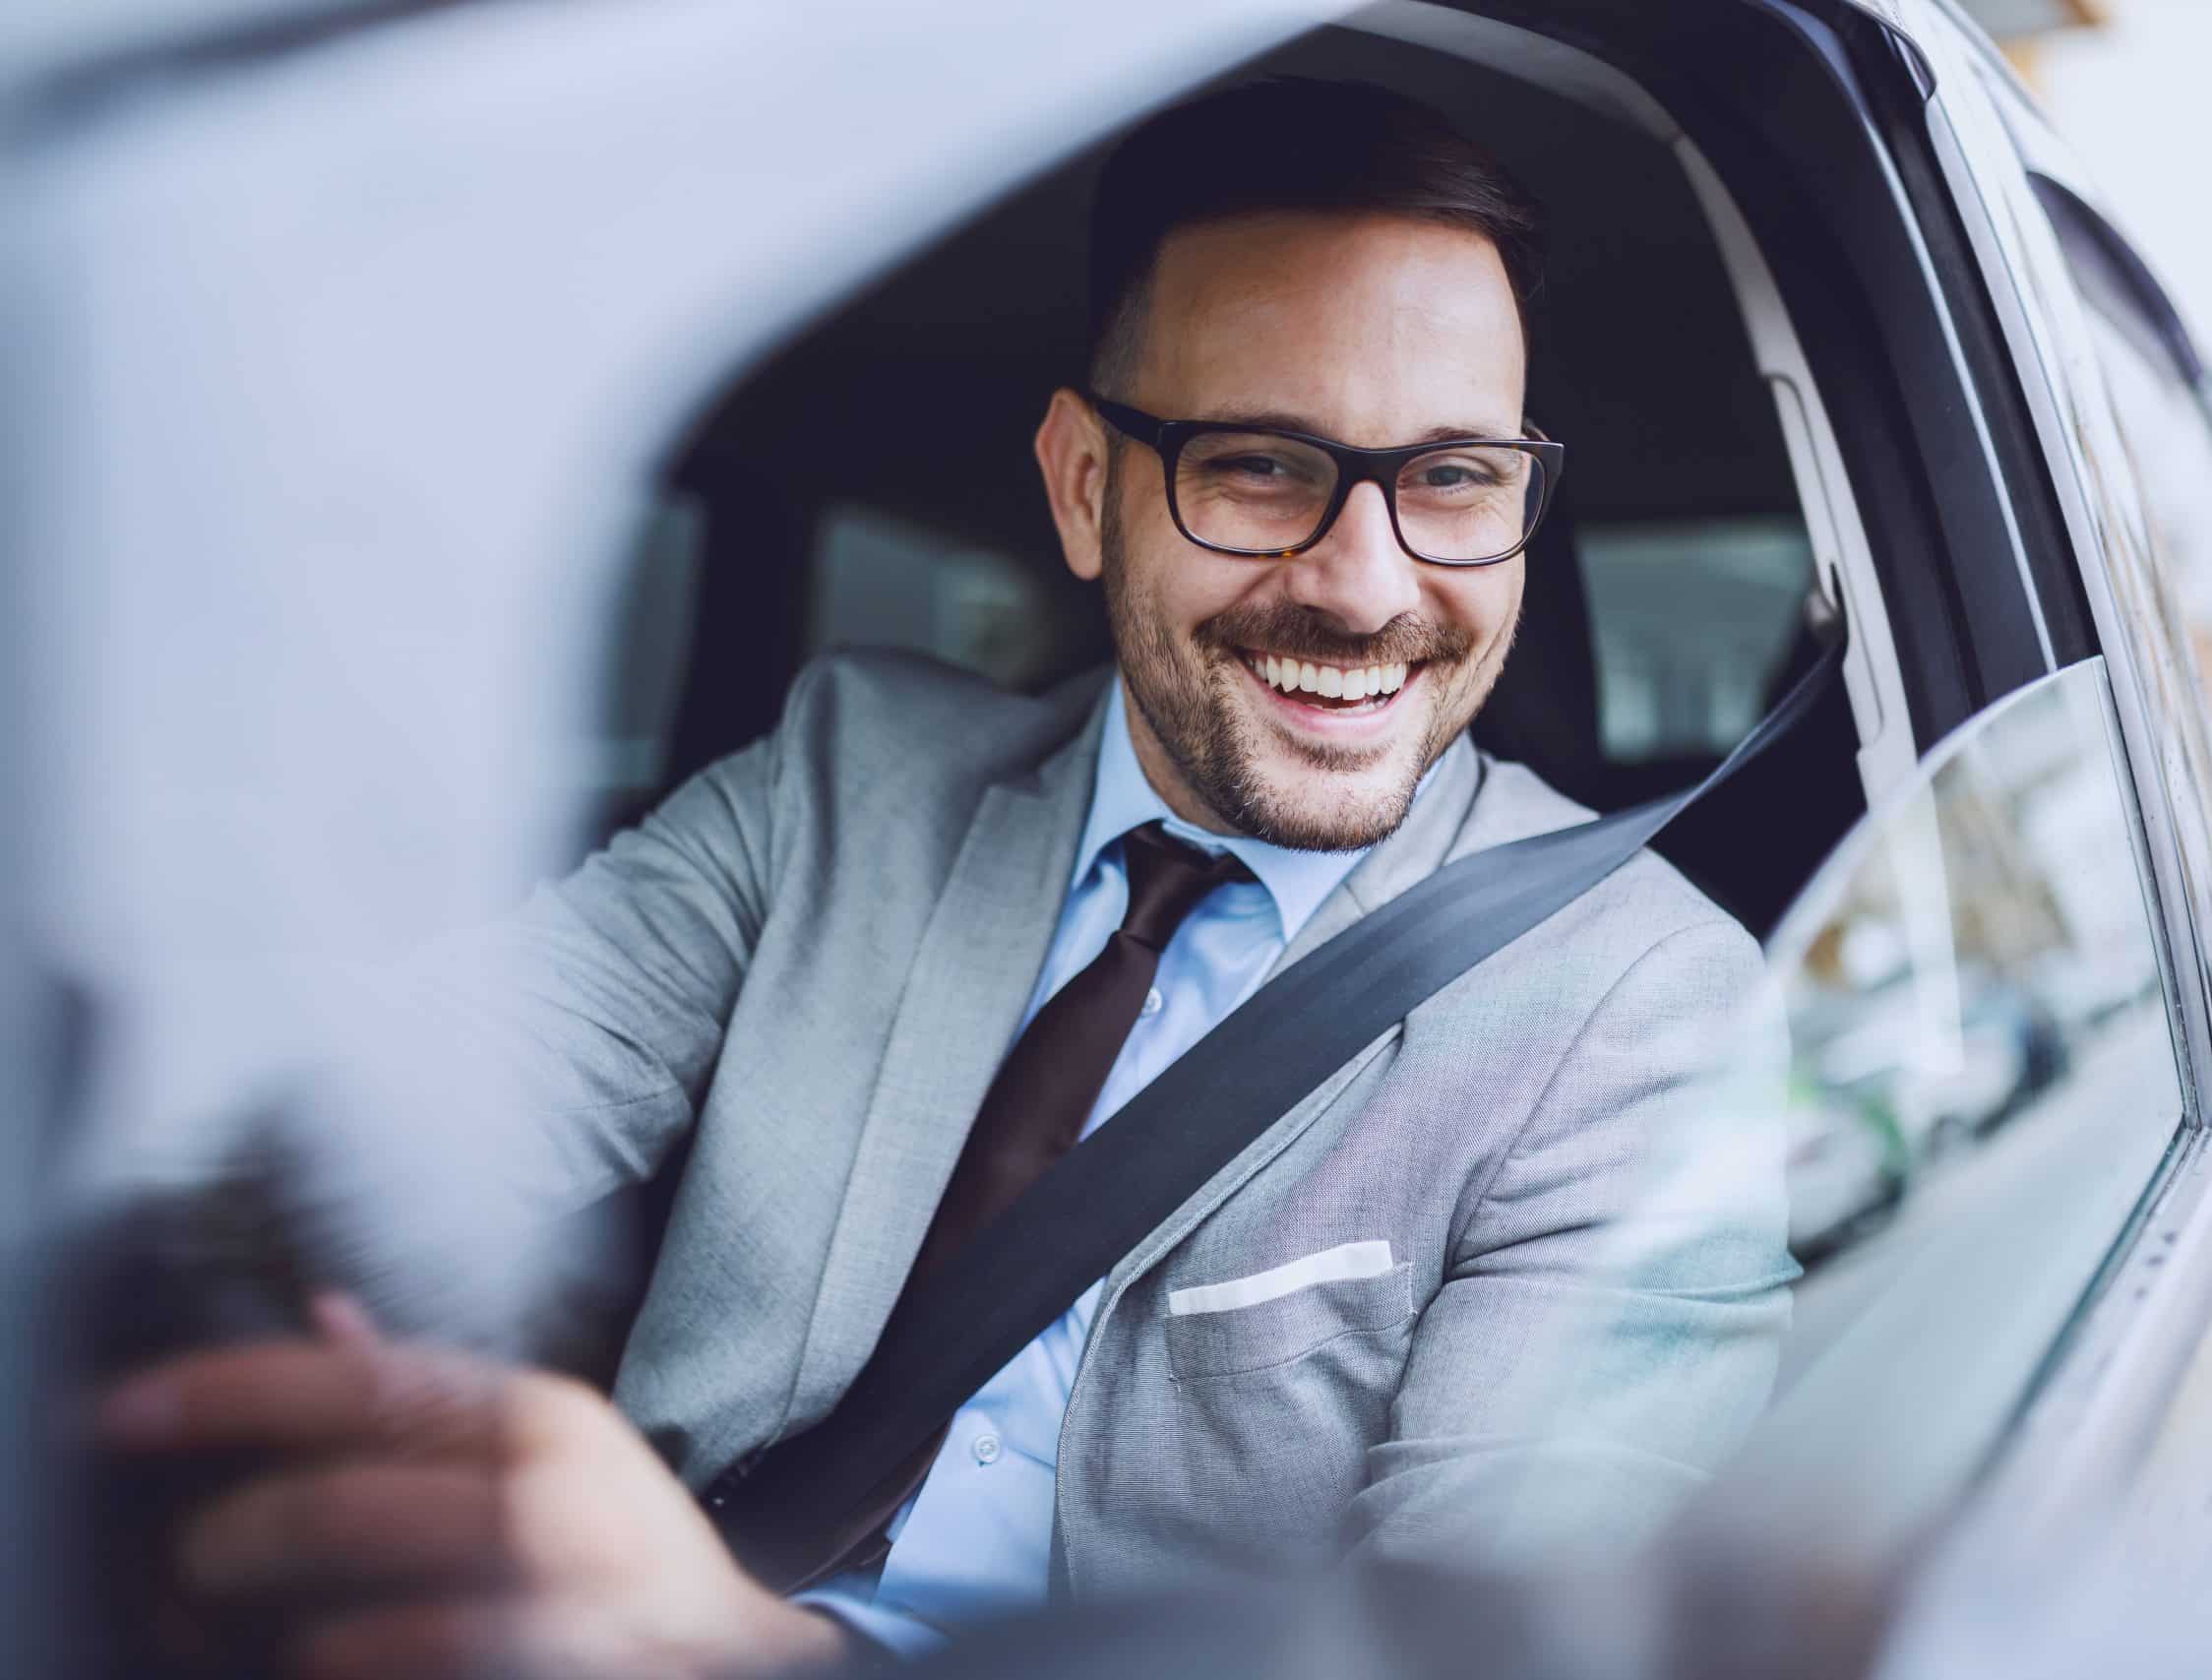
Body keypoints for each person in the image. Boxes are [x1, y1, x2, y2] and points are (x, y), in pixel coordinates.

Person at [98, 79, 1792, 1677]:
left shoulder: (1639, 1004)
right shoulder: (849, 783)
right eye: (1260, 465)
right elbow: (383, 1119)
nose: (1364, 585)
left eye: (1451, 480)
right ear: (1083, 486)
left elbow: (1485, 1654)